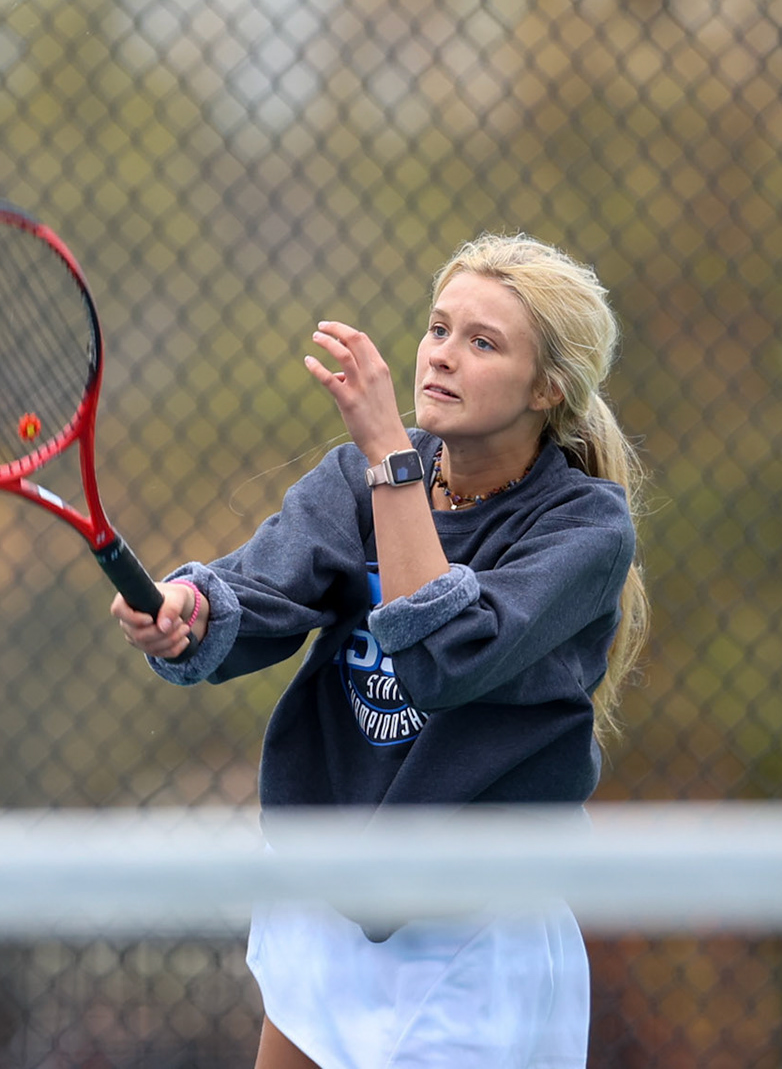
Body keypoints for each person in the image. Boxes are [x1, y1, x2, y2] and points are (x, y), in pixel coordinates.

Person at [110, 232, 649, 1069]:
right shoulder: (356, 477)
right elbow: (258, 591)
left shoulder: (585, 529)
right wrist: (189, 610)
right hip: (328, 889)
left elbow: (444, 658)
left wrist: (391, 463)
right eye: (439, 330)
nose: (442, 357)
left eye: (483, 343)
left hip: (474, 928)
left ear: (548, 387)